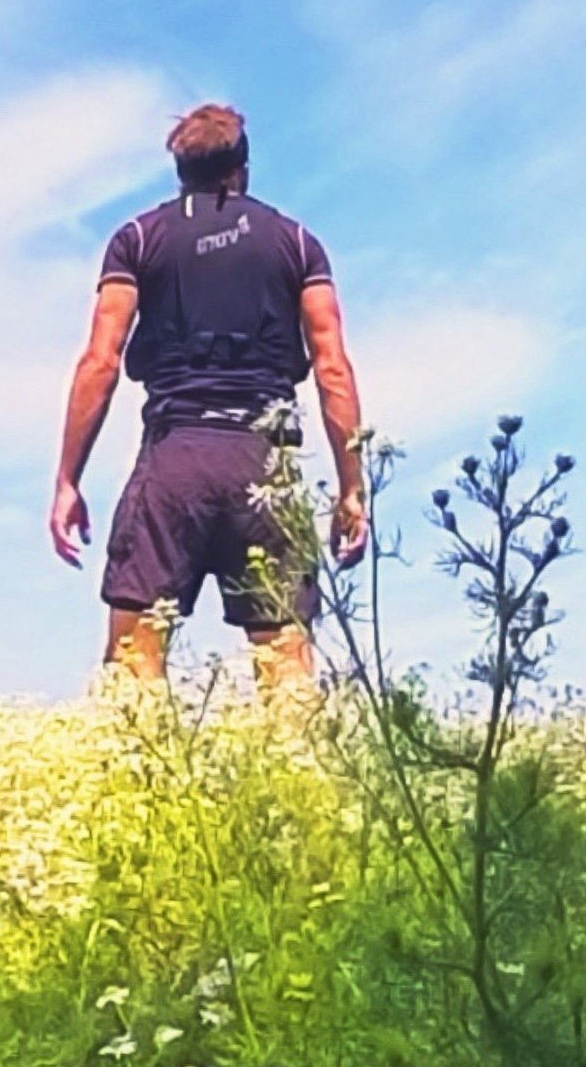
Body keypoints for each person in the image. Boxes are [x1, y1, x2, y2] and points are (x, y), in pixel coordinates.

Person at [49, 102, 367, 688]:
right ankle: (292, 751)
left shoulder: (137, 239)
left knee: (133, 665)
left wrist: (68, 479)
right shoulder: (297, 244)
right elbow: (333, 369)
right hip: (266, 466)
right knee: (287, 670)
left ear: (180, 174)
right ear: (242, 170)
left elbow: (100, 360)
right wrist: (352, 489)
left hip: (176, 460)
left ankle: (139, 746)